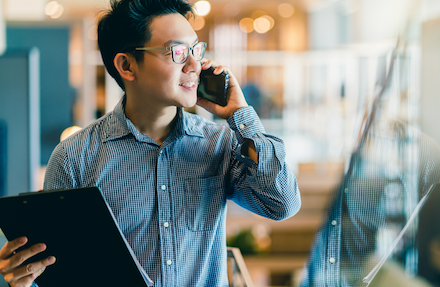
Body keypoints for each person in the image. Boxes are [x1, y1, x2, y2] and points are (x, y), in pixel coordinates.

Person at [0, 0, 301, 286]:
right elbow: (62, 270)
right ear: (127, 66)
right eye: (179, 52)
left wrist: (240, 115)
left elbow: (281, 204)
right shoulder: (75, 157)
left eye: (197, 49)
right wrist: (27, 277)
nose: (196, 65)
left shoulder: (219, 142)